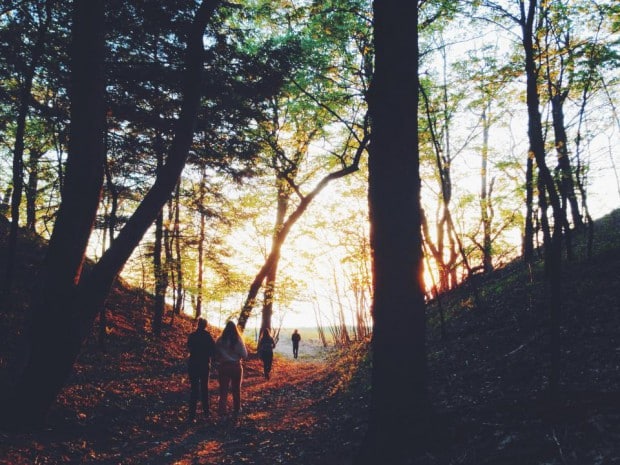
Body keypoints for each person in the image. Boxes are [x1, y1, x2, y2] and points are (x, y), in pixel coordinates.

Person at [215, 320, 248, 418]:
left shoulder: (220, 340)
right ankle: (237, 409)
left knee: (223, 390)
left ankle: (222, 411)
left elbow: (216, 354)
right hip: (236, 366)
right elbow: (245, 355)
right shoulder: (238, 340)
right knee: (236, 389)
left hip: (224, 366)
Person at [187, 317, 216, 423]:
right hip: (204, 365)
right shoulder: (208, 337)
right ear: (205, 325)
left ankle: (192, 416)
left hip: (193, 364)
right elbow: (213, 351)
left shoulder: (192, 336)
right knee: (204, 388)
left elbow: (189, 347)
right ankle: (206, 413)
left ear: (198, 324)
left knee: (194, 389)